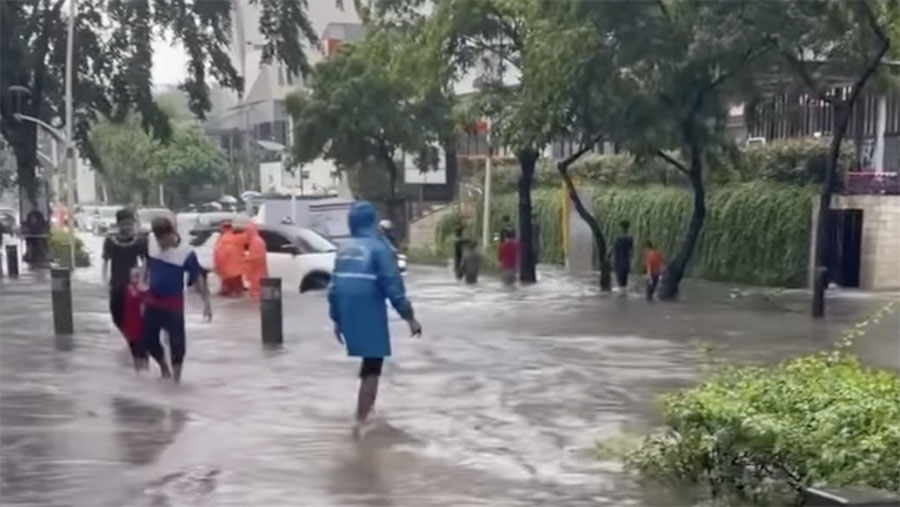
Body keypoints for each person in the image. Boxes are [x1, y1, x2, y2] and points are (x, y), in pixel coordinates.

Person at [328, 201, 422, 437]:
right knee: (373, 366)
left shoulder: (344, 249)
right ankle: (361, 421)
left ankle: (364, 413)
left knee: (368, 364)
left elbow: (334, 287)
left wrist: (337, 318)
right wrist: (409, 317)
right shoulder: (379, 248)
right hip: (369, 309)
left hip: (347, 309)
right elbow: (393, 285)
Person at [143, 217, 211, 383]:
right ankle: (163, 366)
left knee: (177, 343)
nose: (161, 243)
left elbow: (198, 280)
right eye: (158, 239)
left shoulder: (186, 253)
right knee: (148, 340)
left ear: (172, 234)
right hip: (152, 301)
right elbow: (147, 265)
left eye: (164, 239)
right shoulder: (151, 243)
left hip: (173, 304)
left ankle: (176, 381)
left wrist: (207, 304)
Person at [103, 209, 148, 344]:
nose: (128, 227)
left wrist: (142, 280)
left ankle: (134, 339)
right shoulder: (110, 241)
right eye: (124, 224)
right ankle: (127, 334)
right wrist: (104, 281)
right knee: (116, 314)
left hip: (133, 285)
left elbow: (145, 260)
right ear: (119, 225)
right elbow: (105, 261)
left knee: (134, 314)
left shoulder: (139, 241)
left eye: (130, 224)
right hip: (116, 283)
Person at [121, 267, 148, 372]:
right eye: (133, 276)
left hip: (142, 328)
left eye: (138, 276)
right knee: (136, 354)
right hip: (131, 328)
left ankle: (144, 374)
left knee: (143, 354)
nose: (135, 278)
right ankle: (139, 375)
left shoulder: (145, 290)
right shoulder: (129, 289)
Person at [213, 221, 246, 296]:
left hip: (227, 263)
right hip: (234, 264)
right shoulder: (235, 238)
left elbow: (219, 252)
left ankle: (231, 291)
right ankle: (235, 291)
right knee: (234, 278)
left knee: (229, 278)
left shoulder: (224, 238)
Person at [242, 222, 267, 299]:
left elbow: (257, 257)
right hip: (256, 271)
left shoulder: (257, 242)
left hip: (257, 271)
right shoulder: (255, 241)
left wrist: (246, 259)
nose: (246, 233)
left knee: (256, 285)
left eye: (247, 231)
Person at [612, 220, 634, 291]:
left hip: (619, 263)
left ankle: (621, 299)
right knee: (624, 283)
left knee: (620, 284)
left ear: (621, 227)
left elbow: (613, 249)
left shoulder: (618, 239)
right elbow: (631, 252)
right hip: (626, 263)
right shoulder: (630, 239)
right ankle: (623, 298)